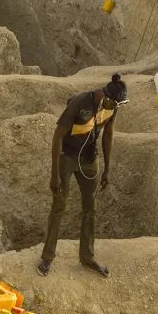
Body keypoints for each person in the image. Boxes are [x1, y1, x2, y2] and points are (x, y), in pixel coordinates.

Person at [37, 74, 129, 278]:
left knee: (90, 208)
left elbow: (108, 134)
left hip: (89, 160)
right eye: (115, 103)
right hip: (67, 157)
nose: (117, 107)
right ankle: (47, 257)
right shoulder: (80, 102)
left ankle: (87, 257)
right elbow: (58, 135)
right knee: (59, 205)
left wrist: (107, 169)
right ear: (106, 96)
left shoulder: (112, 107)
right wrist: (54, 174)